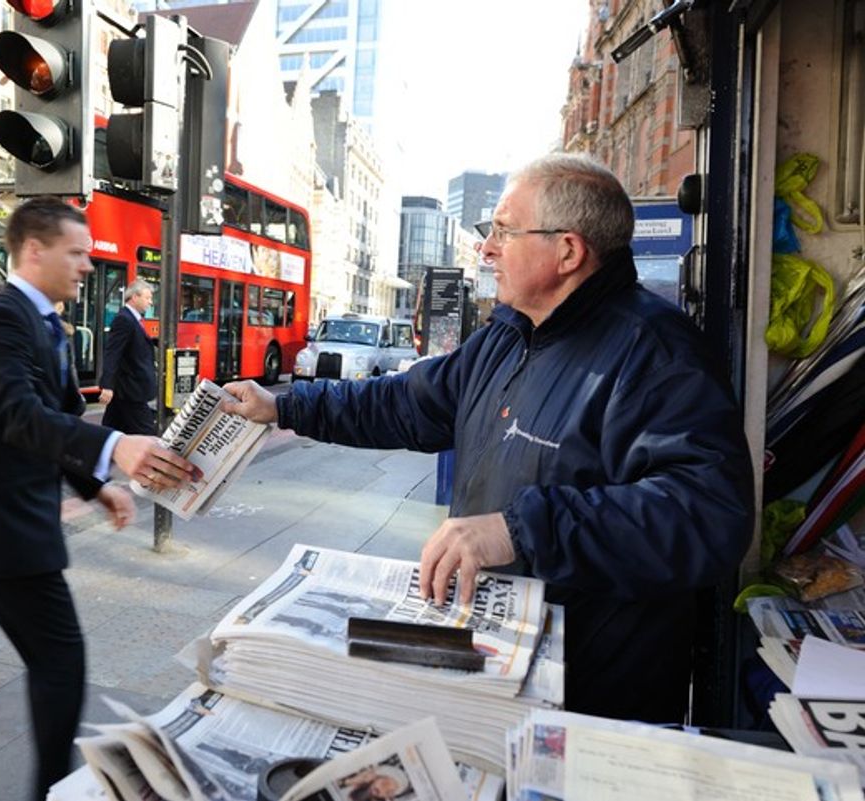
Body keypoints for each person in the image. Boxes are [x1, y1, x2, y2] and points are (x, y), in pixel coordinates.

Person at [222, 154, 754, 723]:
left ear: (568, 252)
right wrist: (285, 406)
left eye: (503, 230)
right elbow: (406, 402)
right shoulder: (508, 335)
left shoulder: (653, 351)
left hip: (591, 694)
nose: (486, 249)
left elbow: (707, 514)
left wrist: (522, 529)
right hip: (498, 671)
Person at [0, 196, 199, 801]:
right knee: (60, 664)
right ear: (35, 250)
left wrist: (92, 484)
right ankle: (52, 793)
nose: (86, 264)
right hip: (5, 528)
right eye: (76, 252)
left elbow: (52, 415)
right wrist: (114, 448)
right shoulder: (1, 317)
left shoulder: (43, 321)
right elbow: (15, 415)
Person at [99, 279, 157, 434]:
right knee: (147, 433)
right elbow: (113, 353)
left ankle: (97, 453)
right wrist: (107, 385)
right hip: (131, 389)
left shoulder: (133, 319)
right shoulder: (124, 319)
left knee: (112, 429)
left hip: (125, 390)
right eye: (147, 298)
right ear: (134, 297)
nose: (150, 302)